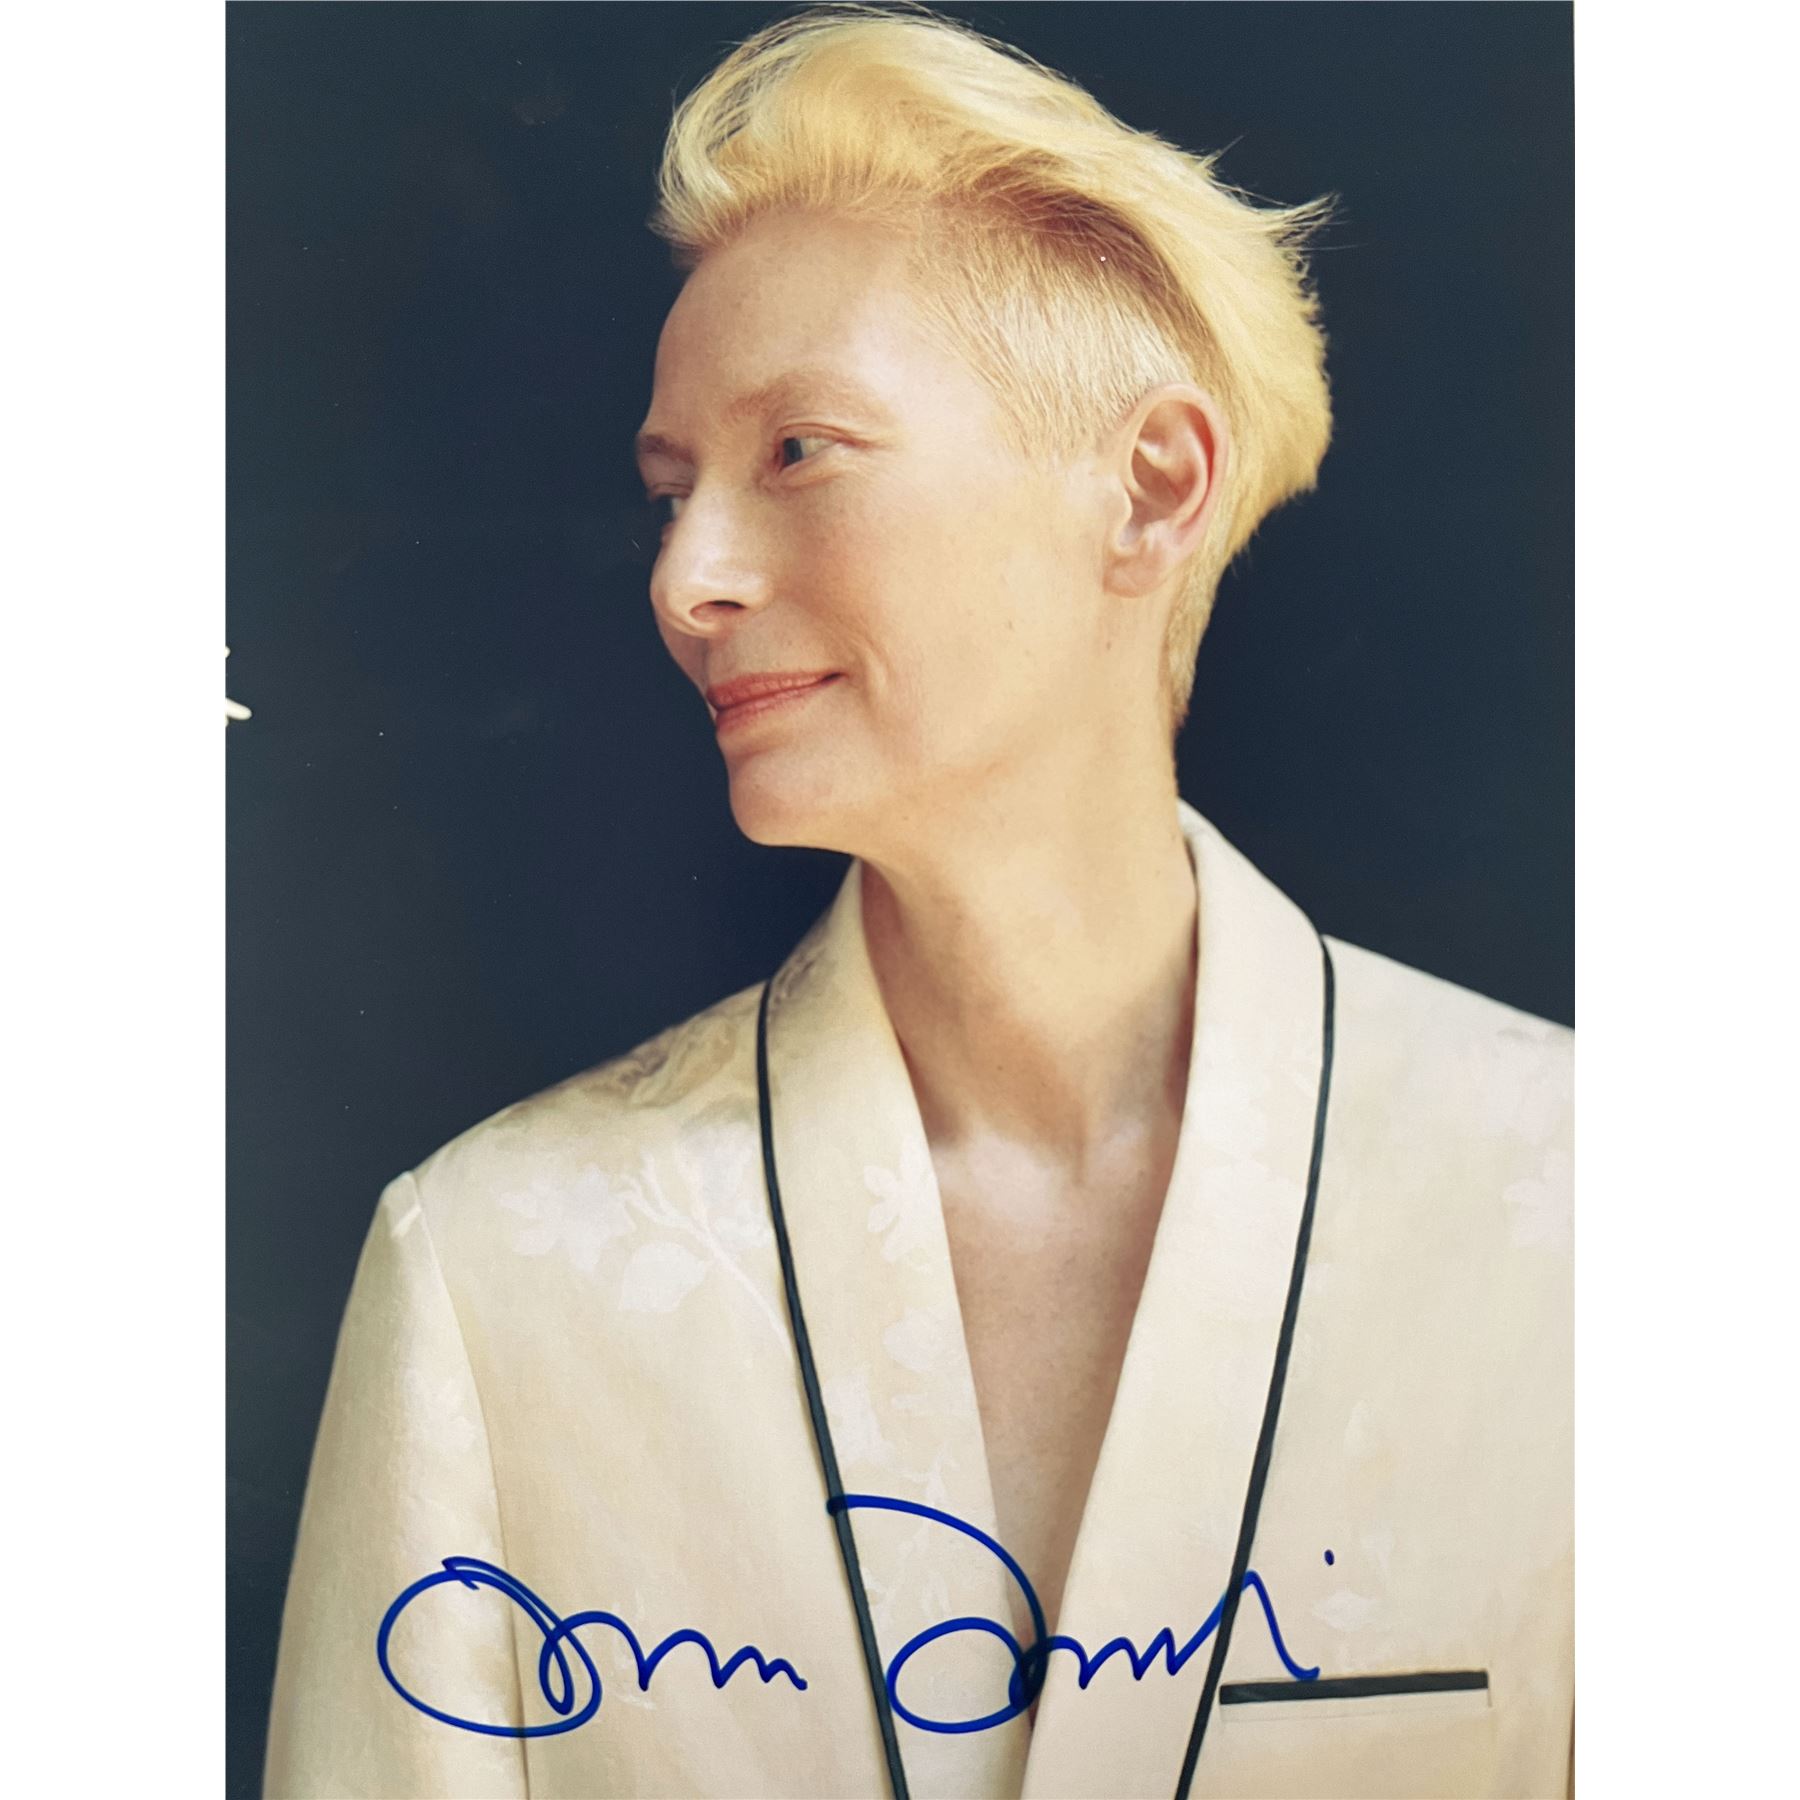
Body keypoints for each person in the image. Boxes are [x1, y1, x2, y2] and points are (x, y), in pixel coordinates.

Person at [265, 7, 1572, 1797]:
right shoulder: (493, 1272)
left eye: (800, 451)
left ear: (1152, 488)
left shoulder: (1598, 1218)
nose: (687, 579)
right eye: (672, 492)